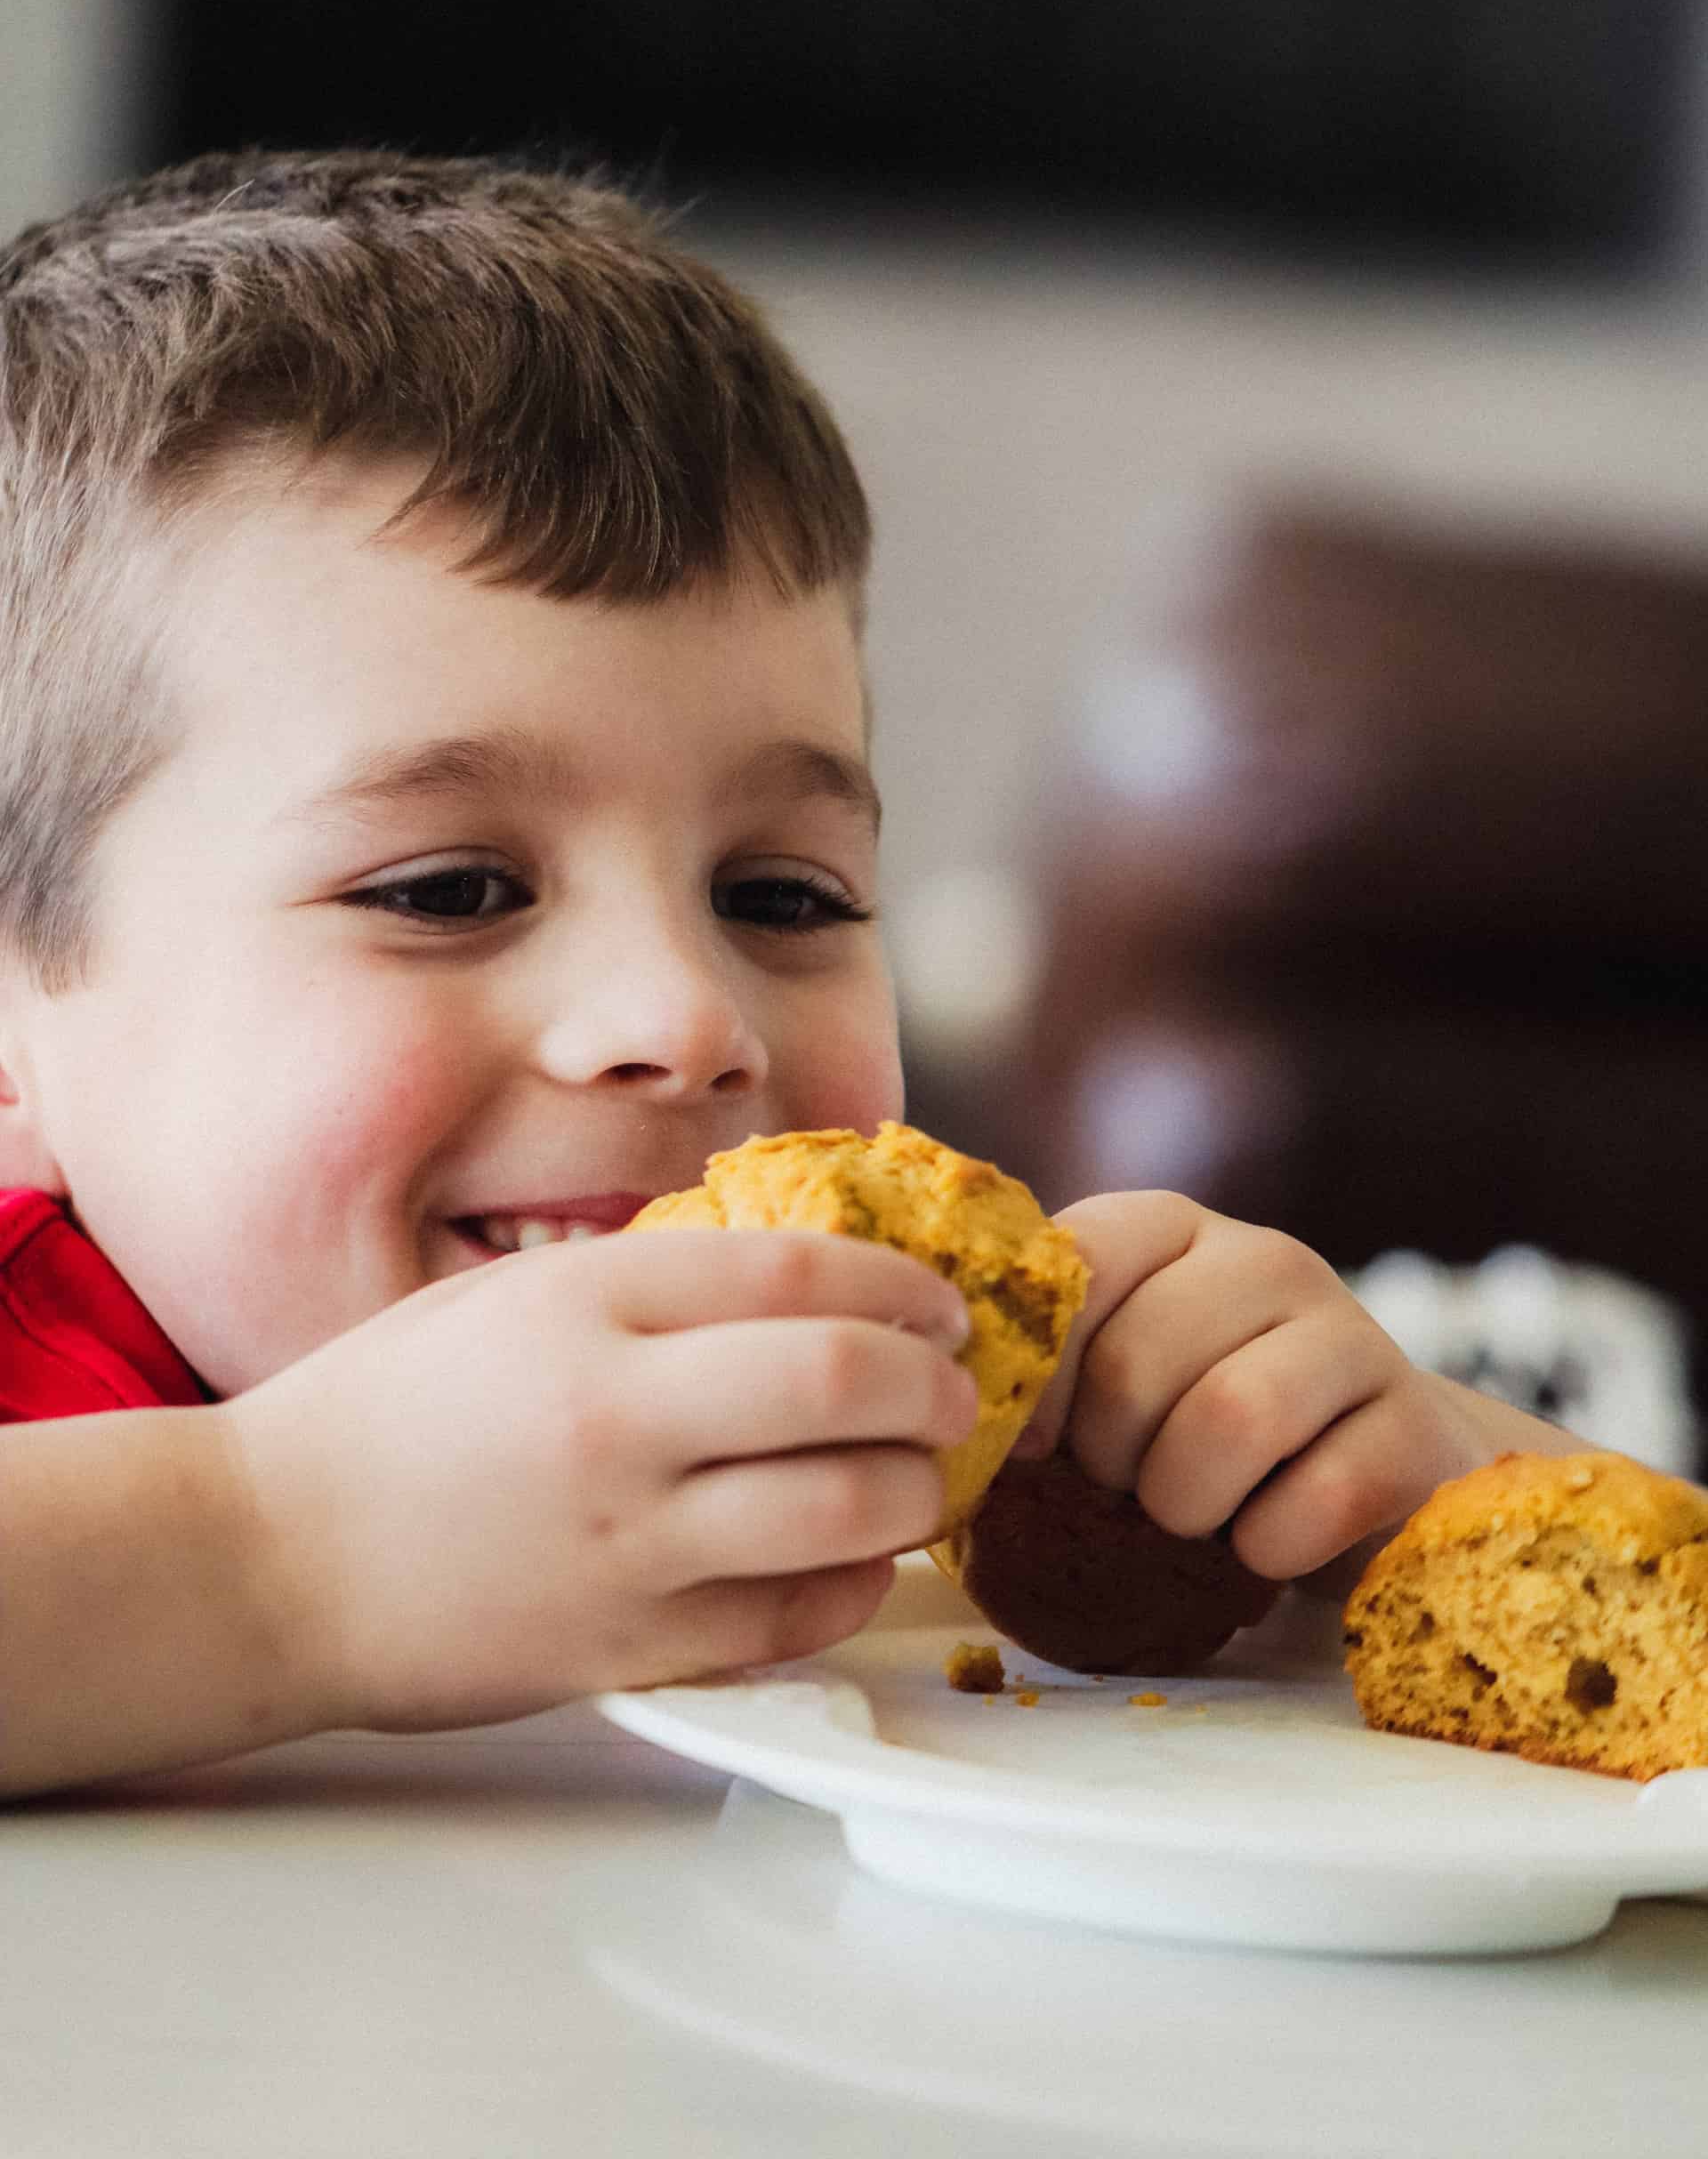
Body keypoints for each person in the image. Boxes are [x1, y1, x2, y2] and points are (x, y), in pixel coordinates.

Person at [0, 150, 1577, 1798]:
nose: (684, 1019)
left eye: (781, 892)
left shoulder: (907, 1406)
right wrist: (280, 1554)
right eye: (452, 887)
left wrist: (1413, 1505)